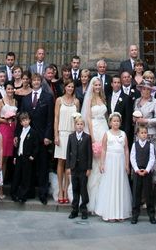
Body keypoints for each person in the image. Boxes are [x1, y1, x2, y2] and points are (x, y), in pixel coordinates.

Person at [20, 72, 53, 204]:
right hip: (28, 138)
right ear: (30, 82)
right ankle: (28, 192)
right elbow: (22, 117)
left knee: (43, 166)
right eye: (33, 80)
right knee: (29, 167)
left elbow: (50, 119)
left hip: (42, 137)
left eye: (38, 80)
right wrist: (19, 135)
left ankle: (43, 193)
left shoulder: (48, 97)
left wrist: (48, 136)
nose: (35, 82)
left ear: (41, 82)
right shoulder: (26, 98)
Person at [96, 112, 132, 221]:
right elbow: (103, 149)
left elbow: (126, 150)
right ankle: (110, 213)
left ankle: (119, 213)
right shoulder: (107, 134)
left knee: (120, 185)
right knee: (110, 185)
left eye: (118, 121)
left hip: (120, 162)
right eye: (114, 121)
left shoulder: (124, 134)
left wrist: (127, 164)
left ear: (120, 123)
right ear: (110, 122)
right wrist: (102, 163)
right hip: (110, 161)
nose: (116, 123)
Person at [81, 76, 107, 212]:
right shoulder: (90, 99)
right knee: (95, 160)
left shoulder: (102, 98)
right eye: (95, 85)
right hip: (95, 129)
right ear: (92, 86)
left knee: (104, 158)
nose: (97, 87)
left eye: (99, 85)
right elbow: (88, 119)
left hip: (104, 127)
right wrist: (91, 136)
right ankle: (92, 196)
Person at [133, 79, 156, 187]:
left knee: (150, 162)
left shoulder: (155, 102)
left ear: (151, 91)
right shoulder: (136, 101)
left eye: (147, 90)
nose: (145, 91)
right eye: (143, 89)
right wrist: (135, 119)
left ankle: (151, 191)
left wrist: (145, 121)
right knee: (139, 161)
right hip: (138, 135)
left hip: (151, 135)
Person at [54, 79, 80, 203]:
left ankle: (65, 188)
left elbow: (78, 120)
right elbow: (56, 118)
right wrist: (56, 135)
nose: (70, 88)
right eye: (68, 86)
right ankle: (60, 189)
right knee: (61, 161)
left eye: (72, 87)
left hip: (72, 134)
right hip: (62, 132)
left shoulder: (76, 102)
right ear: (64, 87)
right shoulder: (59, 100)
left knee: (69, 163)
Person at [66, 114, 92, 220]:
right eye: (78, 124)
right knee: (75, 188)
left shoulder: (87, 137)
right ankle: (74, 210)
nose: (80, 126)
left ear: (84, 126)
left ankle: (84, 209)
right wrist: (68, 166)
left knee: (83, 188)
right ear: (75, 125)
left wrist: (89, 168)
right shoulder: (71, 137)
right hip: (73, 167)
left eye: (81, 124)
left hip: (83, 168)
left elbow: (89, 154)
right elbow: (68, 152)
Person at [131, 124, 156, 224]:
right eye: (142, 133)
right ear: (138, 134)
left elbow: (152, 158)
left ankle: (151, 215)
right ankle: (135, 215)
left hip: (147, 172)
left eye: (145, 133)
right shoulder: (135, 145)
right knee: (136, 193)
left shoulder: (150, 145)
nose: (144, 135)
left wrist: (147, 170)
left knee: (148, 193)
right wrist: (137, 169)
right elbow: (132, 158)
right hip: (138, 172)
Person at [0, 81, 17, 196]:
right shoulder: (1, 101)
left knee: (6, 160)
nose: (10, 91)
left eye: (11, 89)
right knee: (1, 158)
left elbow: (16, 119)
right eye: (8, 89)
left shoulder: (15, 101)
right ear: (5, 90)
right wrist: (5, 120)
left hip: (12, 130)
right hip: (3, 129)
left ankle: (1, 184)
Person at [12, 111, 39, 203]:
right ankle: (14, 194)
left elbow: (36, 146)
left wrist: (33, 156)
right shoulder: (20, 132)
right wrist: (15, 156)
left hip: (27, 157)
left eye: (26, 120)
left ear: (29, 120)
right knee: (17, 175)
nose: (25, 122)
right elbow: (18, 145)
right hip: (20, 156)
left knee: (26, 177)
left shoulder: (33, 132)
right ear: (20, 123)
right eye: (23, 121)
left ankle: (23, 195)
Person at [108, 74, 133, 150]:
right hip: (110, 131)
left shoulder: (126, 98)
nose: (117, 84)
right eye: (115, 82)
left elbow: (128, 119)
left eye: (118, 82)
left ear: (121, 84)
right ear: (111, 84)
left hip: (121, 132)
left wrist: (125, 134)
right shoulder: (108, 97)